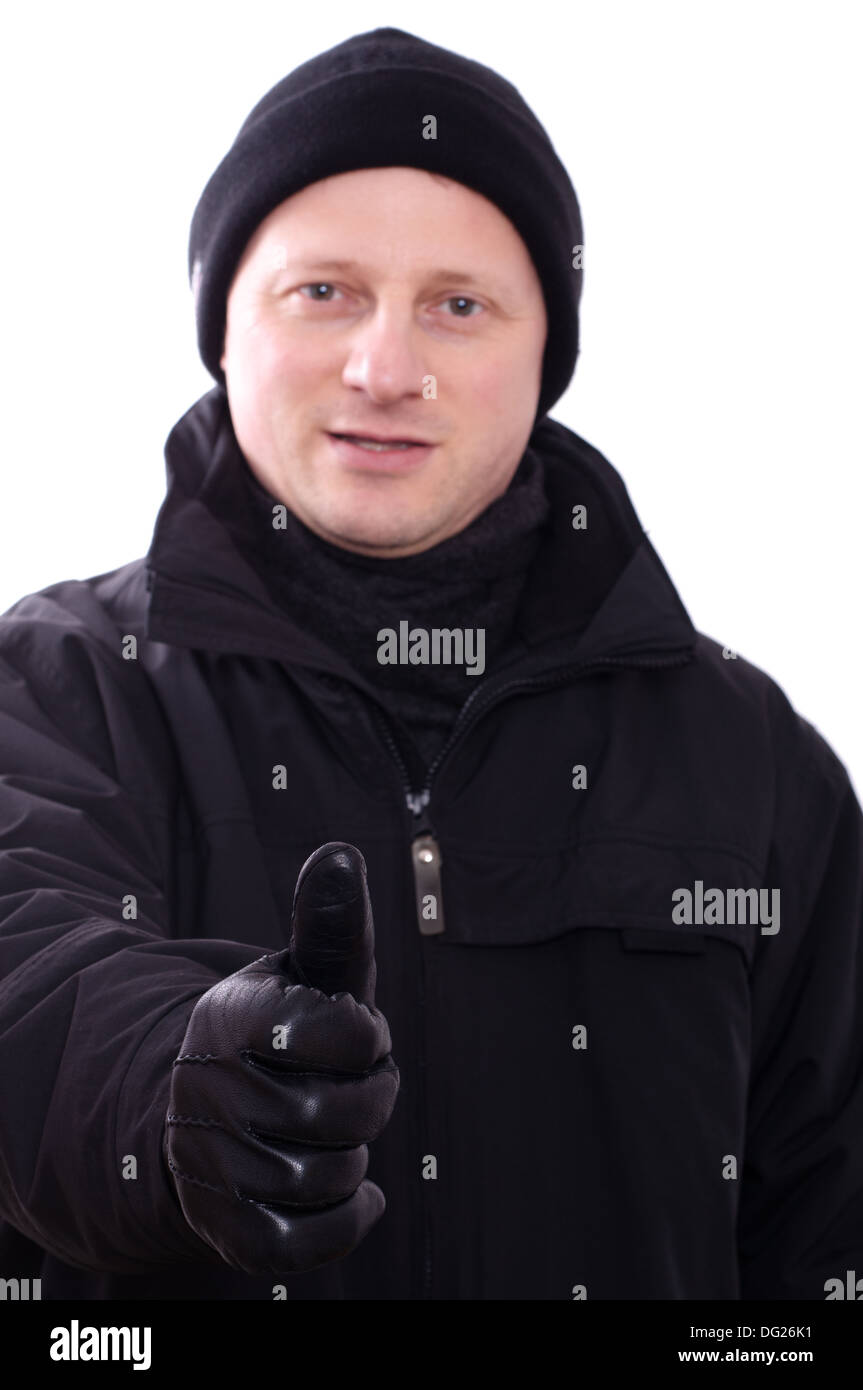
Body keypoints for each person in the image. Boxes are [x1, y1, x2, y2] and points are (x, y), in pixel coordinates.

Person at [0, 24, 861, 1303]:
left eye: (458, 305)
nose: (384, 369)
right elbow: (23, 969)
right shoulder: (57, 687)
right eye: (323, 292)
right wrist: (179, 1083)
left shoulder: (753, 760)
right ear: (223, 329)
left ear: (544, 354)